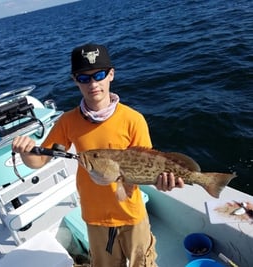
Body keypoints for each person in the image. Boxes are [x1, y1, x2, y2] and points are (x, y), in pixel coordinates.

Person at [12, 43, 184, 267]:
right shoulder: (67, 122)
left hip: (132, 214)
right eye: (84, 78)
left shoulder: (133, 120)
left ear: (111, 75)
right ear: (75, 80)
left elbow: (148, 165)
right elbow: (39, 160)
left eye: (99, 75)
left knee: (143, 263)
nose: (93, 83)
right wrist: (26, 151)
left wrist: (162, 182)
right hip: (95, 218)